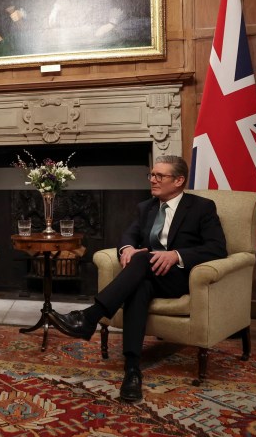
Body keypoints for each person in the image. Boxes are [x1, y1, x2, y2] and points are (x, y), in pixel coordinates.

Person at [53, 155, 227, 402]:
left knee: (143, 259)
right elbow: (128, 237)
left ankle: (90, 316)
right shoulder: (146, 207)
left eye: (160, 176)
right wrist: (126, 250)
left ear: (179, 180)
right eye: (151, 175)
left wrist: (176, 255)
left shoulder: (202, 207)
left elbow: (218, 248)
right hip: (147, 276)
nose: (153, 180)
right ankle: (132, 369)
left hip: (181, 278)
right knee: (139, 285)